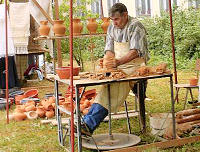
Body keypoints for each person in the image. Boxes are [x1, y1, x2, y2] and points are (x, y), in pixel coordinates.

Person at [79, 3, 149, 136]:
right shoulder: (112, 26)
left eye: (116, 19)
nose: (114, 22)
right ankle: (86, 123)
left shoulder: (135, 26)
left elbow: (135, 52)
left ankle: (88, 124)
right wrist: (108, 61)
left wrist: (117, 62)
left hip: (135, 65)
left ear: (125, 15)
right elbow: (109, 49)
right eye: (112, 19)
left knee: (115, 87)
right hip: (119, 64)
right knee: (106, 86)